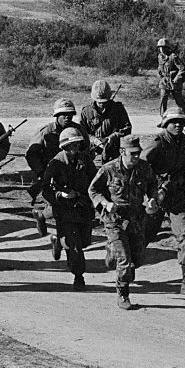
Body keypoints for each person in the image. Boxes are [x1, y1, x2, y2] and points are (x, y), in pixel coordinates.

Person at [88, 135, 159, 310]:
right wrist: (105, 203)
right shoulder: (109, 169)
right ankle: (123, 294)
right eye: (132, 153)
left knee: (138, 259)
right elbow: (93, 190)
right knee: (125, 262)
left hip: (136, 218)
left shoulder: (144, 168)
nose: (136, 156)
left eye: (138, 153)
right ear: (122, 152)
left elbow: (152, 185)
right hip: (115, 220)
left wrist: (152, 199)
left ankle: (111, 252)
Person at [142, 106, 185, 295]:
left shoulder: (182, 141)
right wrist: (152, 189)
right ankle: (123, 262)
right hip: (158, 195)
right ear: (165, 124)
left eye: (181, 122)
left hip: (177, 195)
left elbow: (181, 164)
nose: (178, 125)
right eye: (174, 122)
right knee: (144, 235)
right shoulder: (158, 142)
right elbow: (141, 165)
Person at [40, 127, 97, 290]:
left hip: (83, 208)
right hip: (65, 211)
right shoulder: (56, 163)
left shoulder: (85, 160)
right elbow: (46, 189)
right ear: (64, 147)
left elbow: (95, 180)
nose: (74, 149)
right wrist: (60, 195)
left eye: (77, 145)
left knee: (85, 242)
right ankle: (78, 276)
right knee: (75, 246)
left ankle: (57, 241)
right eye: (70, 146)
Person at [26, 98, 90, 236]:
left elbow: (85, 150)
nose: (67, 117)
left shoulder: (78, 130)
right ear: (56, 115)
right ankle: (43, 217)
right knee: (56, 203)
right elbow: (31, 154)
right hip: (50, 172)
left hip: (72, 171)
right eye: (63, 114)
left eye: (70, 114)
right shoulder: (45, 132)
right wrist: (40, 172)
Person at [79, 80, 131, 164]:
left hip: (115, 153)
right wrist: (94, 140)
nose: (102, 104)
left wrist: (112, 137)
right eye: (99, 102)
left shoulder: (118, 109)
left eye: (104, 101)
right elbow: (82, 132)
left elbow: (127, 128)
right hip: (94, 154)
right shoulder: (86, 111)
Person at [157, 38, 185, 117]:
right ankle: (163, 118)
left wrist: (176, 79)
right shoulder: (160, 57)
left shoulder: (173, 57)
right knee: (163, 100)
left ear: (167, 48)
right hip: (165, 82)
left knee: (179, 101)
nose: (162, 49)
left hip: (174, 82)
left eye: (164, 47)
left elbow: (182, 69)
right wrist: (162, 77)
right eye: (160, 47)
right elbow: (160, 69)